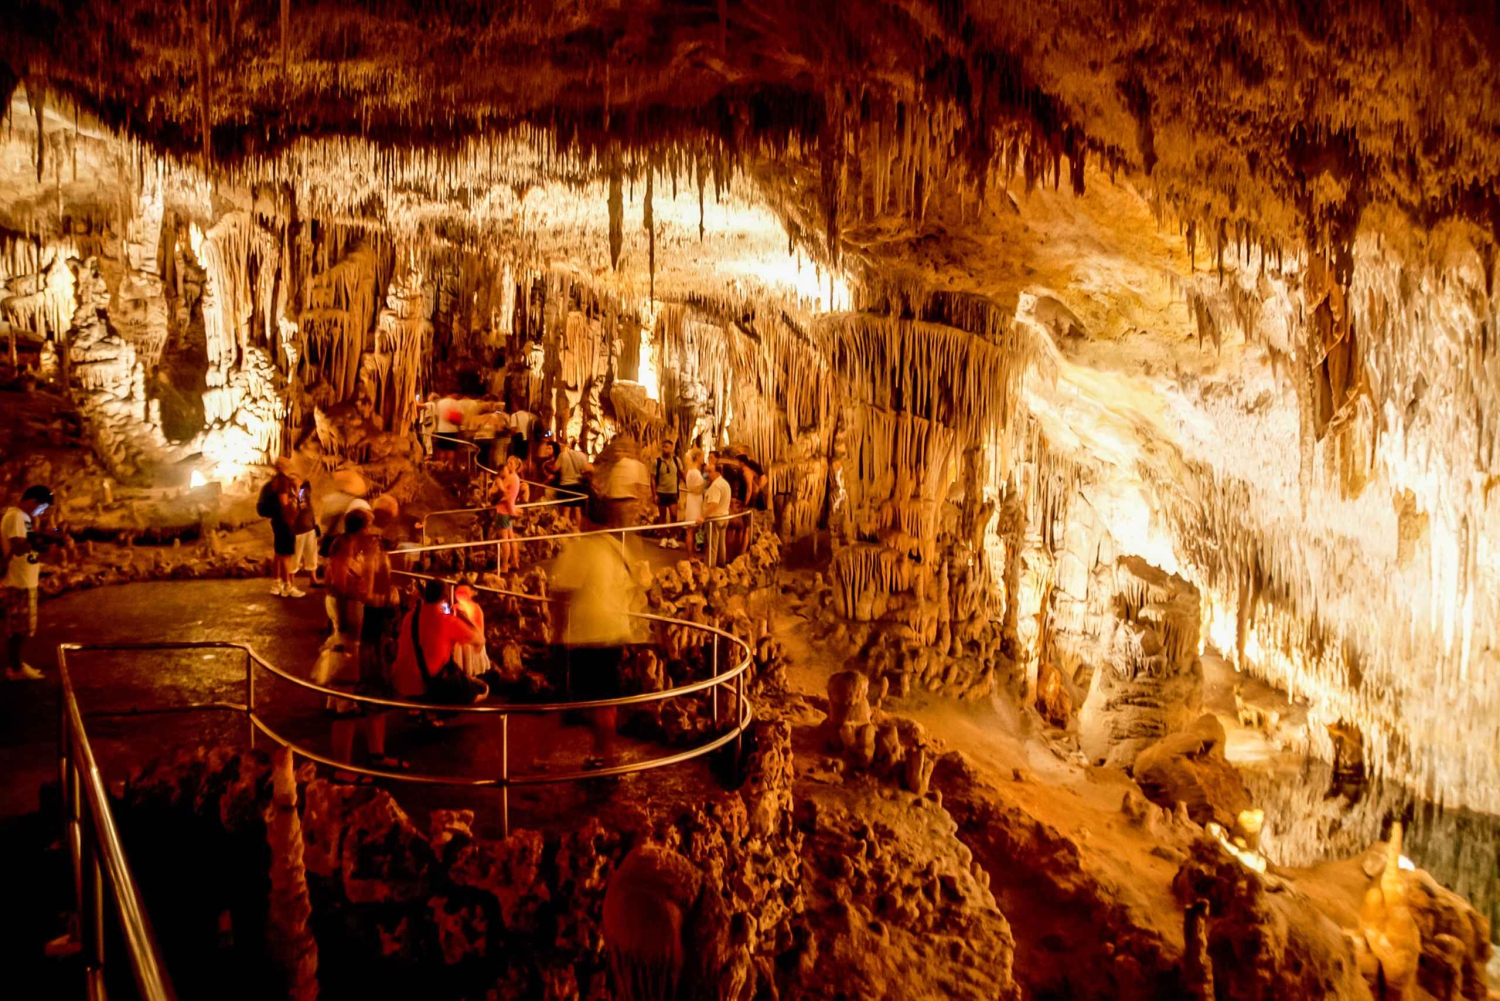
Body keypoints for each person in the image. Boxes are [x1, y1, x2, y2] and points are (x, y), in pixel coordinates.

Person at [549, 512, 644, 766]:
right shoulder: (617, 548)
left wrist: (557, 633)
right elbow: (635, 584)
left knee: (590, 695)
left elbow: (561, 594)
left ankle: (600, 750)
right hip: (615, 631)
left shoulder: (582, 549)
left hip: (589, 632)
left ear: (586, 519)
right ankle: (603, 749)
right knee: (605, 695)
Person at [391, 580, 487, 704]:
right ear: (445, 598)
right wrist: (465, 619)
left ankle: (417, 708)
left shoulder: (411, 615)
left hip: (400, 682)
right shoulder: (446, 621)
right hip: (428, 685)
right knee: (482, 689)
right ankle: (436, 712)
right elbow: (480, 639)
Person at [1, 485, 54, 681]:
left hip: (25, 579)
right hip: (19, 581)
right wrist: (44, 536)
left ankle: (17, 665)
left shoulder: (23, 518)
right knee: (18, 629)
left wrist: (40, 537)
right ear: (33, 502)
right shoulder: (16, 517)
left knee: (22, 627)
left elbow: (27, 543)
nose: (41, 512)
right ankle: (15, 669)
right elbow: (18, 547)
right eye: (41, 508)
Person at [260, 459, 306, 598]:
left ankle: (276, 583)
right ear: (285, 466)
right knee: (286, 555)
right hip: (285, 522)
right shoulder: (283, 482)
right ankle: (288, 586)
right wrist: (299, 491)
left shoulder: (274, 481)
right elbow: (288, 503)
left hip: (278, 521)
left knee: (279, 554)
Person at [601, 437, 651, 529]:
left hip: (628, 503)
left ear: (626, 452)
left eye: (620, 451)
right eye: (616, 451)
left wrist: (641, 504)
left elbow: (643, 487)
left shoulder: (636, 465)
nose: (617, 453)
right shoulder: (615, 466)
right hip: (614, 503)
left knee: (626, 530)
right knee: (616, 531)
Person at [489, 454, 524, 573]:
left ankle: (504, 566)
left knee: (504, 539)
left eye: (511, 464)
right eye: (508, 463)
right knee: (511, 537)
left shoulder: (510, 478)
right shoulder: (516, 478)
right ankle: (515, 561)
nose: (508, 465)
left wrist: (497, 483)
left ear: (516, 466)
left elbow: (502, 493)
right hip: (508, 510)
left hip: (503, 510)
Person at [451, 585, 491, 682]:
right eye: (459, 592)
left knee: (470, 663)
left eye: (464, 592)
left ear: (471, 593)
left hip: (472, 641)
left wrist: (480, 637)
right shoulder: (455, 607)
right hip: (460, 642)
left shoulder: (476, 608)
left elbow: (480, 625)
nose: (461, 595)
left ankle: (471, 680)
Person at [700, 458, 733, 566]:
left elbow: (714, 504)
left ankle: (710, 566)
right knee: (721, 543)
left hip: (715, 518)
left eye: (710, 471)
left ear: (718, 472)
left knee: (712, 545)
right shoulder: (725, 483)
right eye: (707, 471)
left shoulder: (715, 486)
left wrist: (703, 517)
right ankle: (721, 564)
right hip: (724, 517)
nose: (707, 474)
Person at [652, 438, 685, 542]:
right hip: (661, 492)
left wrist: (689, 483)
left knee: (674, 515)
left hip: (673, 492)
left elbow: (681, 473)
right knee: (662, 517)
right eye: (664, 447)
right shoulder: (657, 462)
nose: (665, 449)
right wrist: (654, 494)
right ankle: (663, 537)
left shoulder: (676, 460)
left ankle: (672, 537)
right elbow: (652, 478)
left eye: (668, 447)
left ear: (671, 449)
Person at [289, 474, 319, 589]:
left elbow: (303, 504)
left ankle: (313, 578)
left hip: (309, 528)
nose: (294, 482)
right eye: (292, 480)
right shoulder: (290, 494)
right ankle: (290, 581)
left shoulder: (303, 492)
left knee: (311, 554)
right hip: (297, 530)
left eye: (296, 479)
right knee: (295, 556)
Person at [553, 437, 591, 527]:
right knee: (578, 509)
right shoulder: (582, 455)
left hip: (566, 485)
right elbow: (587, 469)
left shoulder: (563, 455)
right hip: (578, 485)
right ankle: (577, 530)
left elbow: (555, 468)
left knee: (567, 510)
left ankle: (567, 530)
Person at [679, 448, 706, 555]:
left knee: (692, 530)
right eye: (702, 456)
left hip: (693, 500)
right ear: (698, 457)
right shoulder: (695, 472)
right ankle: (690, 555)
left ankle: (692, 553)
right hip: (695, 501)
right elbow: (698, 489)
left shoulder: (690, 471)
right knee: (690, 530)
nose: (703, 458)